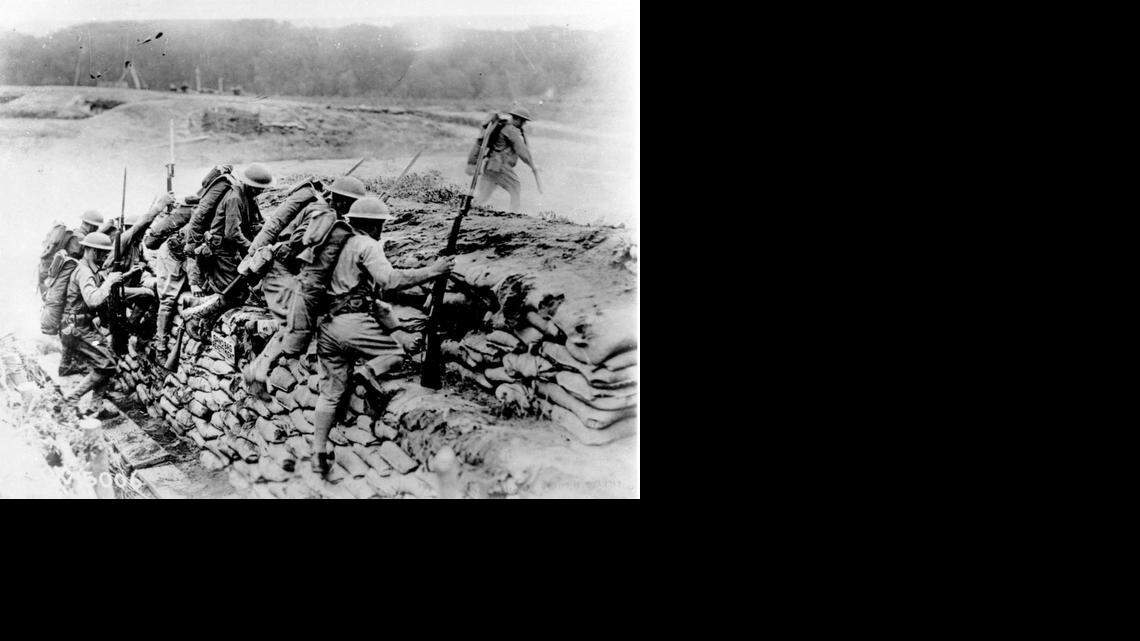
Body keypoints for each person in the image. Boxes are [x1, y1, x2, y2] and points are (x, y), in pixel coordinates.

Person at [309, 197, 454, 475]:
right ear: (374, 226)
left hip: (326, 325)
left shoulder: (332, 246)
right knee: (398, 353)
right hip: (352, 323)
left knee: (330, 394)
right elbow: (390, 281)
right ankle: (366, 372)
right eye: (381, 225)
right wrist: (433, 271)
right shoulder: (367, 244)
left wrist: (394, 325)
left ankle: (318, 454)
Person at [242, 176, 368, 387]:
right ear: (344, 201)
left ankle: (260, 370)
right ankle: (258, 371)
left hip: (284, 269)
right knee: (293, 322)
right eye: (352, 203)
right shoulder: (324, 214)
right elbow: (297, 243)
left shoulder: (324, 210)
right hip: (280, 268)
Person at [59, 232, 152, 413]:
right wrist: (110, 280)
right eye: (100, 253)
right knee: (107, 364)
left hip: (83, 327)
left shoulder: (89, 270)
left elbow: (105, 287)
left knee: (108, 361)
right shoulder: (84, 272)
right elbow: (94, 300)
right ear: (91, 250)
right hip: (76, 328)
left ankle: (96, 407)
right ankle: (72, 399)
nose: (103, 257)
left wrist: (124, 276)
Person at [185, 164, 272, 340]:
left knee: (235, 290)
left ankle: (207, 322)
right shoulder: (235, 198)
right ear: (250, 185)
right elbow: (232, 233)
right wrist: (252, 249)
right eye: (258, 189)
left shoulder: (246, 196)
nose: (260, 193)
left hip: (229, 249)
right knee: (232, 291)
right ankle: (195, 315)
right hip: (222, 250)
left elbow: (253, 222)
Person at [471, 106, 539, 213]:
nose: (524, 124)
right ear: (518, 119)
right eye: (523, 121)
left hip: (490, 166)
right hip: (500, 167)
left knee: (483, 196)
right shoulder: (511, 130)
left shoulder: (502, 126)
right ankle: (514, 214)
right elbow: (522, 151)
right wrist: (532, 165)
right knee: (515, 187)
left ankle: (470, 213)